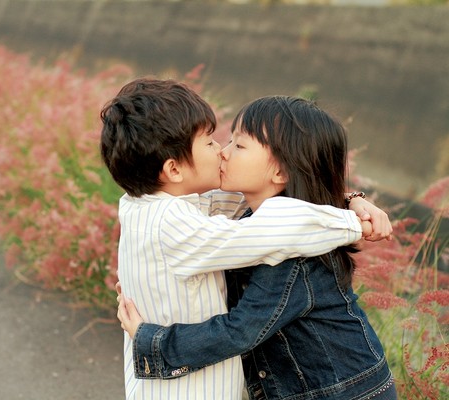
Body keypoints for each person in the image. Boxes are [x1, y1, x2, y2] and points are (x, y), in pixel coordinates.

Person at [117, 95, 397, 399]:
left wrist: (152, 342)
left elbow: (240, 331)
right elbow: (187, 208)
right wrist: (350, 199)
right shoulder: (251, 220)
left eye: (238, 146)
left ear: (280, 172)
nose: (222, 152)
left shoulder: (293, 251)